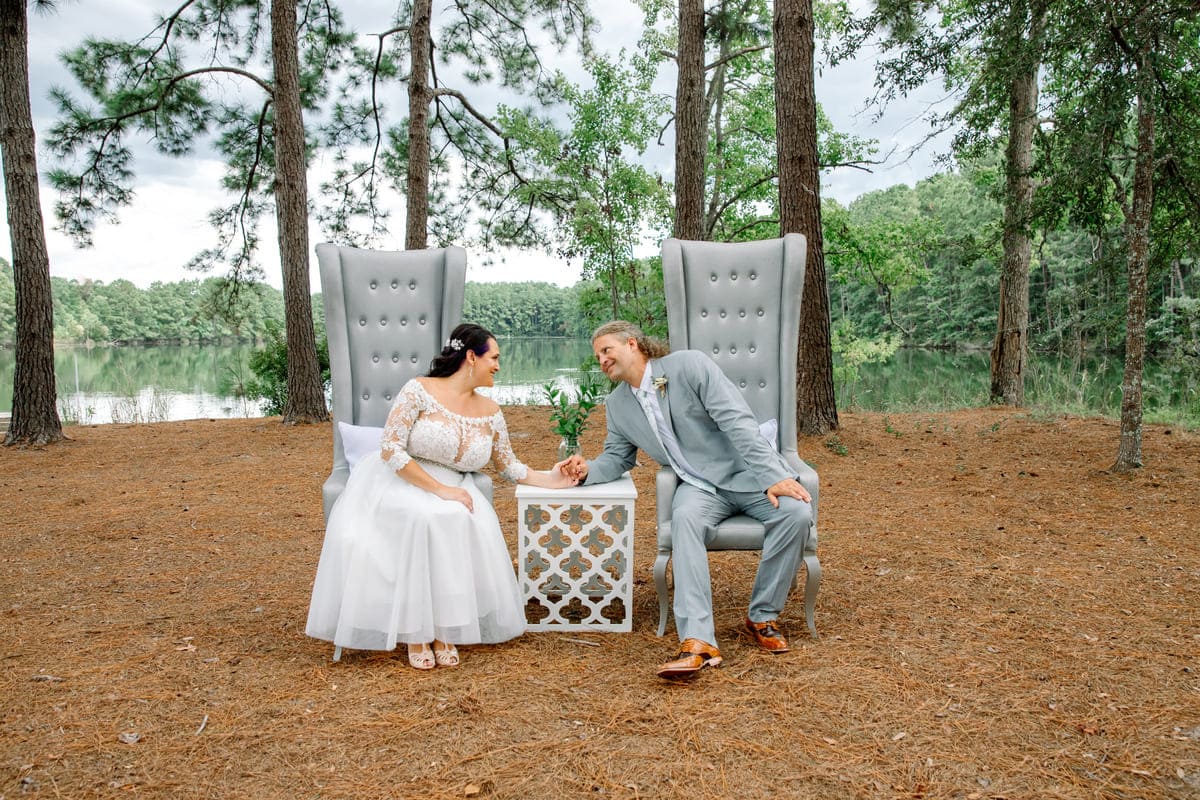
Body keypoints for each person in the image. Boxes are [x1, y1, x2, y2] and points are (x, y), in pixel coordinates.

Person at [305, 323, 578, 669]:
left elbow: (509, 466)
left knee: (455, 515)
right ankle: (416, 631)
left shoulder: (491, 412)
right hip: (402, 479)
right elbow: (390, 449)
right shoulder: (419, 389)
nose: (498, 365)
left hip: (454, 486)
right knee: (428, 516)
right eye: (493, 357)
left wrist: (554, 478)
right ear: (470, 357)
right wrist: (440, 490)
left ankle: (443, 629)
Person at [562, 320, 813, 680]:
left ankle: (761, 616)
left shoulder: (689, 366)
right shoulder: (617, 405)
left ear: (632, 343)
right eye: (597, 355)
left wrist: (774, 475)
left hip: (747, 476)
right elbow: (617, 457)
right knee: (684, 520)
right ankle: (698, 640)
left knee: (796, 514)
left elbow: (737, 421)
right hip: (697, 488)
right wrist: (587, 471)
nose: (601, 360)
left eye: (606, 350)